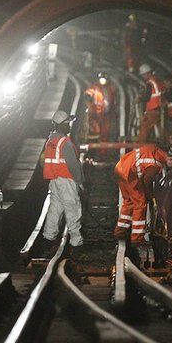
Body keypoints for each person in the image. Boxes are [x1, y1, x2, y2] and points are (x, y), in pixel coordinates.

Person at [41, 110, 84, 251]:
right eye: (67, 123)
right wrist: (80, 180)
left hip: (54, 181)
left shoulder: (50, 141)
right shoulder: (65, 142)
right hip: (66, 180)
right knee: (73, 209)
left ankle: (48, 238)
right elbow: (73, 165)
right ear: (61, 125)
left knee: (55, 209)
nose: (69, 126)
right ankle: (76, 241)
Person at [113, 142, 169, 245]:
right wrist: (148, 195)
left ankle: (120, 231)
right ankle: (137, 238)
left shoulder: (153, 149)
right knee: (141, 203)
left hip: (120, 168)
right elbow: (147, 179)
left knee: (129, 201)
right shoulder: (156, 162)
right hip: (130, 174)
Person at [85, 72, 115, 157]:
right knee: (95, 133)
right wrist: (88, 99)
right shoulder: (95, 88)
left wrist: (113, 112)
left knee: (105, 134)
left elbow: (112, 101)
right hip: (96, 115)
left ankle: (103, 153)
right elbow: (88, 93)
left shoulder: (110, 89)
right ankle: (92, 152)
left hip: (106, 115)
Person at [137, 63, 166, 143]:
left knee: (144, 127)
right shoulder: (158, 81)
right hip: (160, 109)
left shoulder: (150, 83)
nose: (143, 77)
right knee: (162, 129)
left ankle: (139, 147)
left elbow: (147, 97)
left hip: (153, 109)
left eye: (143, 75)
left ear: (148, 73)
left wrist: (139, 98)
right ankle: (167, 144)